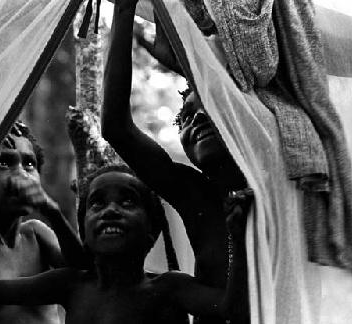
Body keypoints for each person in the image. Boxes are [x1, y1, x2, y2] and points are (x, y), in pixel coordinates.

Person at [0, 164, 249, 324]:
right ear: (83, 232)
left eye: (128, 202)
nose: (111, 209)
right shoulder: (71, 285)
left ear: (152, 233)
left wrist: (238, 240)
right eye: (97, 204)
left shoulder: (170, 288)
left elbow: (230, 307)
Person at [100, 0, 251, 323]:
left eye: (209, 108)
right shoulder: (196, 195)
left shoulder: (286, 179)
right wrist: (124, 10)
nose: (195, 121)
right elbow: (116, 128)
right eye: (185, 117)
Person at [0, 121, 86, 324]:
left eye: (29, 164)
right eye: (3, 163)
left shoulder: (36, 235)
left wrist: (53, 211)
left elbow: (85, 273)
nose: (21, 173)